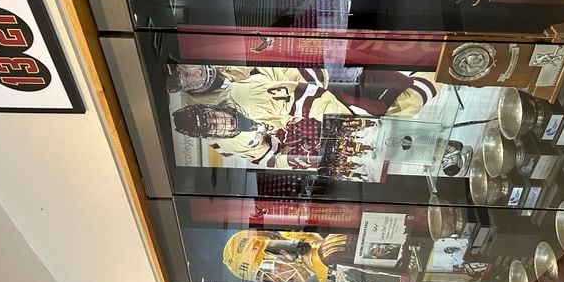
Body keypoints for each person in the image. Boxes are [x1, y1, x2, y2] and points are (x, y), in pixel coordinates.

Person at [171, 66, 440, 168]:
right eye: (184, 77)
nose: (192, 74)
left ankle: (454, 64)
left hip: (317, 80)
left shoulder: (241, 93)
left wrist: (345, 122)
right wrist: (303, 159)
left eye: (187, 69)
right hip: (306, 103)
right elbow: (268, 156)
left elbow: (311, 100)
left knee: (401, 103)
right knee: (373, 140)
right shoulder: (223, 140)